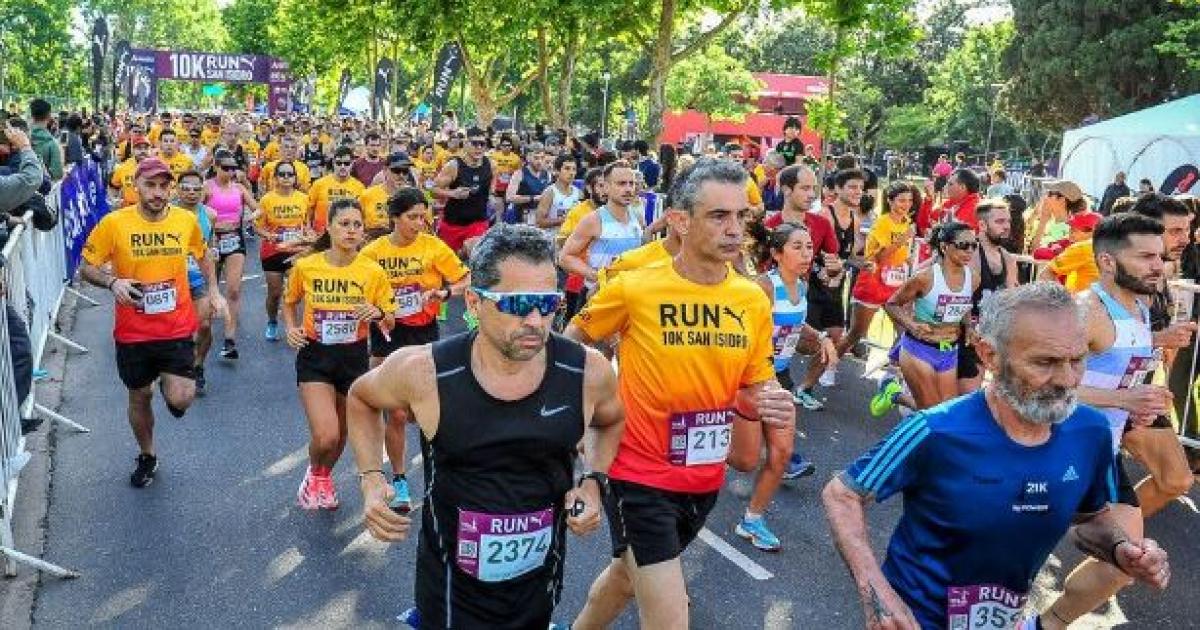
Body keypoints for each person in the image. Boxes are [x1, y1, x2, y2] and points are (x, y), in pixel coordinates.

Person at [823, 281, 1171, 630]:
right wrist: (878, 593)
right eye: (1045, 362)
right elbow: (842, 494)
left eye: (1077, 360)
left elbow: (1089, 519)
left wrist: (1119, 548)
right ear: (990, 355)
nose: (1067, 380)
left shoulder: (1090, 432)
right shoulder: (937, 430)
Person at [346, 224, 625, 628]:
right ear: (474, 303)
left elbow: (611, 420)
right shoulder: (425, 371)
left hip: (539, 584)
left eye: (548, 304)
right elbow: (360, 398)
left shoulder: (585, 371)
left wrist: (593, 481)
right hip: (450, 591)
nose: (535, 320)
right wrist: (371, 479)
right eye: (518, 305)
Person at [568, 159, 795, 629]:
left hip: (703, 478)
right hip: (637, 475)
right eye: (719, 216)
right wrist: (586, 417)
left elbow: (753, 387)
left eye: (742, 217)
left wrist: (768, 398)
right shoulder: (635, 287)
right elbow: (572, 344)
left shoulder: (751, 299)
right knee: (671, 618)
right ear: (680, 220)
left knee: (623, 579)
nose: (735, 230)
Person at [1042, 210, 1195, 630]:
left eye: (1160, 257)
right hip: (1048, 451)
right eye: (1145, 257)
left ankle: (1049, 622)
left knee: (1127, 559)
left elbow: (1116, 363)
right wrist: (1123, 398)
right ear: (1108, 262)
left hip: (1101, 453)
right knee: (998, 555)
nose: (1159, 267)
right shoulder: (1084, 312)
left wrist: (1138, 402)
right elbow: (1040, 386)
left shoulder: (1141, 307)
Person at [79, 158, 218, 487]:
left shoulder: (185, 221)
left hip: (176, 327)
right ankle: (147, 454)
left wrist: (213, 290)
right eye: (150, 185)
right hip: (134, 333)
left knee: (182, 398)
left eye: (162, 186)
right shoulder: (114, 224)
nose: (157, 193)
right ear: (136, 186)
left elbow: (204, 254)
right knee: (140, 396)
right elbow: (87, 266)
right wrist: (113, 283)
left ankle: (170, 386)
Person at [358, 187, 470, 511]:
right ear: (394, 218)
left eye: (424, 216)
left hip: (423, 331)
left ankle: (439, 475)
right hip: (387, 333)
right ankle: (400, 478)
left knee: (424, 410)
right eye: (412, 217)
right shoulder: (374, 252)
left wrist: (444, 295)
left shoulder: (433, 247)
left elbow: (465, 279)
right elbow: (358, 289)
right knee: (395, 411)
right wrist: (376, 309)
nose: (420, 223)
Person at [282, 199, 395, 510]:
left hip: (354, 357)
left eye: (357, 225)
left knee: (343, 433)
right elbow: (290, 301)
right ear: (329, 227)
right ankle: (314, 473)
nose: (351, 230)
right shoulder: (307, 266)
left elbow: (389, 319)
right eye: (344, 223)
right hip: (315, 357)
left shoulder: (372, 271)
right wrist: (291, 328)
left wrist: (377, 312)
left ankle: (322, 477)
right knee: (326, 435)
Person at [735, 221, 836, 551]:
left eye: (809, 247)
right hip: (749, 379)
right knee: (746, 460)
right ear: (777, 254)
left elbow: (795, 320)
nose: (807, 253)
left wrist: (821, 337)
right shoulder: (763, 287)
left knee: (781, 454)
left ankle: (752, 520)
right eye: (797, 247)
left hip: (780, 377)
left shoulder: (802, 287)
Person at [883, 221, 980, 410]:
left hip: (948, 350)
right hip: (919, 348)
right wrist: (912, 325)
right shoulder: (924, 278)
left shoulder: (973, 278)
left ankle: (895, 394)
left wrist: (968, 327)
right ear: (944, 247)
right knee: (930, 410)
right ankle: (894, 394)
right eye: (963, 245)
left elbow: (965, 304)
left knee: (946, 410)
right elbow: (891, 304)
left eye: (974, 245)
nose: (969, 250)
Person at [838, 181, 920, 368]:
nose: (906, 205)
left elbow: (899, 253)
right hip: (873, 280)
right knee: (856, 333)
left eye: (909, 200)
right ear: (890, 201)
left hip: (895, 283)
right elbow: (881, 256)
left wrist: (906, 259)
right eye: (901, 201)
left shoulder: (906, 222)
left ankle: (893, 369)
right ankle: (830, 366)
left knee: (904, 330)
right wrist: (902, 240)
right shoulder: (882, 222)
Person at [794, 168, 859, 398]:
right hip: (814, 286)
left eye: (860, 188)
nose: (858, 192)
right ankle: (778, 377)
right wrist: (823, 269)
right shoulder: (824, 216)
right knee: (803, 343)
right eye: (852, 187)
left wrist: (863, 262)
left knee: (834, 337)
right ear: (838, 189)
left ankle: (806, 387)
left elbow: (847, 255)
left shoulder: (855, 219)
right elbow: (808, 251)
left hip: (836, 288)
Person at [954, 199, 1019, 395]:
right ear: (982, 225)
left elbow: (1011, 301)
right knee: (955, 401)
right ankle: (896, 394)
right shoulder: (968, 252)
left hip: (988, 338)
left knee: (973, 398)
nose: (1006, 226)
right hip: (960, 335)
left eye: (1008, 221)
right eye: (999, 221)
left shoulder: (1008, 258)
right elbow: (959, 294)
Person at [174, 170, 225, 396]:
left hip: (199, 277)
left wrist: (212, 260)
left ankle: (198, 366)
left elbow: (210, 245)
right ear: (177, 190)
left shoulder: (210, 214)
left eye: (196, 189)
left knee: (204, 325)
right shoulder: (168, 213)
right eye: (186, 188)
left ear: (203, 191)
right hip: (172, 277)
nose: (192, 193)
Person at [205, 150, 259, 361]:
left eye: (233, 168)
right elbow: (194, 212)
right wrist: (214, 224)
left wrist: (246, 220)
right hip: (212, 241)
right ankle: (203, 332)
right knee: (211, 288)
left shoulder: (239, 188)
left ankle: (230, 339)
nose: (230, 172)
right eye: (225, 168)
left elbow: (258, 208)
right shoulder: (207, 188)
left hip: (235, 239)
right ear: (216, 167)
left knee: (234, 289)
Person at [558, 162, 645, 292]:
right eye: (621, 183)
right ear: (606, 187)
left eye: (631, 183)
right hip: (598, 297)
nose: (628, 189)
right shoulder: (593, 219)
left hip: (630, 295)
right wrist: (596, 276)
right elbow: (565, 258)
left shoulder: (636, 217)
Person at [255, 160, 312, 342]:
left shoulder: (303, 198)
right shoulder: (267, 200)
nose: (286, 178)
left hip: (296, 250)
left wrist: (308, 237)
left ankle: (296, 327)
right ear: (276, 178)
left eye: (290, 174)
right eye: (282, 174)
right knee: (274, 293)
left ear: (295, 178)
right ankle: (272, 321)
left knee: (298, 291)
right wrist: (268, 235)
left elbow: (307, 225)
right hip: (273, 251)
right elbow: (257, 226)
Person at [434, 129, 494, 256]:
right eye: (475, 143)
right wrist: (453, 193)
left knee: (475, 254)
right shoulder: (454, 166)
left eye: (482, 144)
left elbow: (491, 190)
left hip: (478, 222)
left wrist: (492, 198)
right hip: (453, 223)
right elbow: (433, 191)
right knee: (449, 262)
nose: (479, 148)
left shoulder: (491, 165)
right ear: (466, 144)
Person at [308, 146, 367, 234]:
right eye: (339, 163)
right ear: (333, 163)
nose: (342, 167)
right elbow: (309, 209)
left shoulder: (360, 187)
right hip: (320, 234)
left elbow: (362, 215)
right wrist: (309, 229)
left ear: (352, 164)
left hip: (347, 234)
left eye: (346, 163)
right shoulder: (319, 184)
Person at [533, 154, 581, 238]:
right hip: (554, 241)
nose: (571, 173)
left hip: (572, 242)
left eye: (574, 169)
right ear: (557, 171)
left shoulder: (578, 192)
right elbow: (539, 222)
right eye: (567, 169)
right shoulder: (550, 192)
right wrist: (563, 220)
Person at [506, 142, 551, 224]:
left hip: (541, 218)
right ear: (528, 158)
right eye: (536, 158)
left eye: (542, 158)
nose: (540, 161)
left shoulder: (547, 174)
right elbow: (509, 197)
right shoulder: (519, 174)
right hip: (522, 218)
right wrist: (533, 198)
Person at [28, 99, 63, 181]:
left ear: (32, 115)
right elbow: (57, 174)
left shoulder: (20, 139)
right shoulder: (52, 143)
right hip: (43, 188)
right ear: (49, 116)